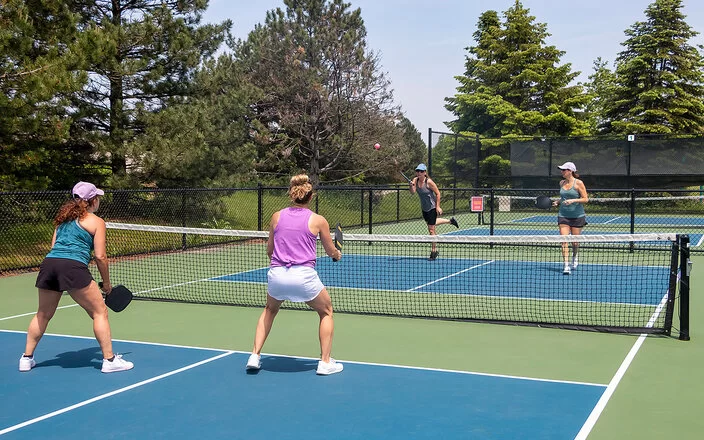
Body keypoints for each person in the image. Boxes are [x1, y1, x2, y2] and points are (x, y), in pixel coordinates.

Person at [19, 182, 133, 373]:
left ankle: (26, 358)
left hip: (50, 264)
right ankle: (110, 360)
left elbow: (54, 246)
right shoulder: (97, 222)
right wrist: (106, 283)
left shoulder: (62, 220)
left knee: (43, 314)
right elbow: (100, 256)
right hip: (72, 267)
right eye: (97, 197)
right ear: (92, 200)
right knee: (100, 313)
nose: (99, 201)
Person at [246, 174, 343, 375]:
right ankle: (325, 362)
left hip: (277, 274)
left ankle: (254, 356)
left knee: (270, 310)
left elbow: (269, 251)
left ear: (292, 195)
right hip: (303, 277)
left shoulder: (276, 216)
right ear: (310, 196)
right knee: (326, 312)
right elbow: (330, 251)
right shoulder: (318, 220)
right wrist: (337, 254)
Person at [409, 163, 459, 260]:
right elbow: (412, 192)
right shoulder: (415, 180)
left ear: (425, 173)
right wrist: (411, 185)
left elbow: (438, 193)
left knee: (431, 230)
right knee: (432, 224)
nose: (419, 173)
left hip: (432, 207)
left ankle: (434, 251)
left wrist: (438, 207)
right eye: (417, 171)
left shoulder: (429, 182)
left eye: (421, 171)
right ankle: (450, 221)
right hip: (424, 209)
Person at [552, 162, 588, 275]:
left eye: (564, 170)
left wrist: (573, 200)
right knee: (564, 240)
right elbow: (563, 197)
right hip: (563, 215)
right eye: (561, 170)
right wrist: (558, 202)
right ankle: (566, 265)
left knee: (575, 243)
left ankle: (575, 256)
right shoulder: (561, 183)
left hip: (577, 216)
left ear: (570, 171)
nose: (562, 172)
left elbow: (585, 199)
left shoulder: (579, 183)